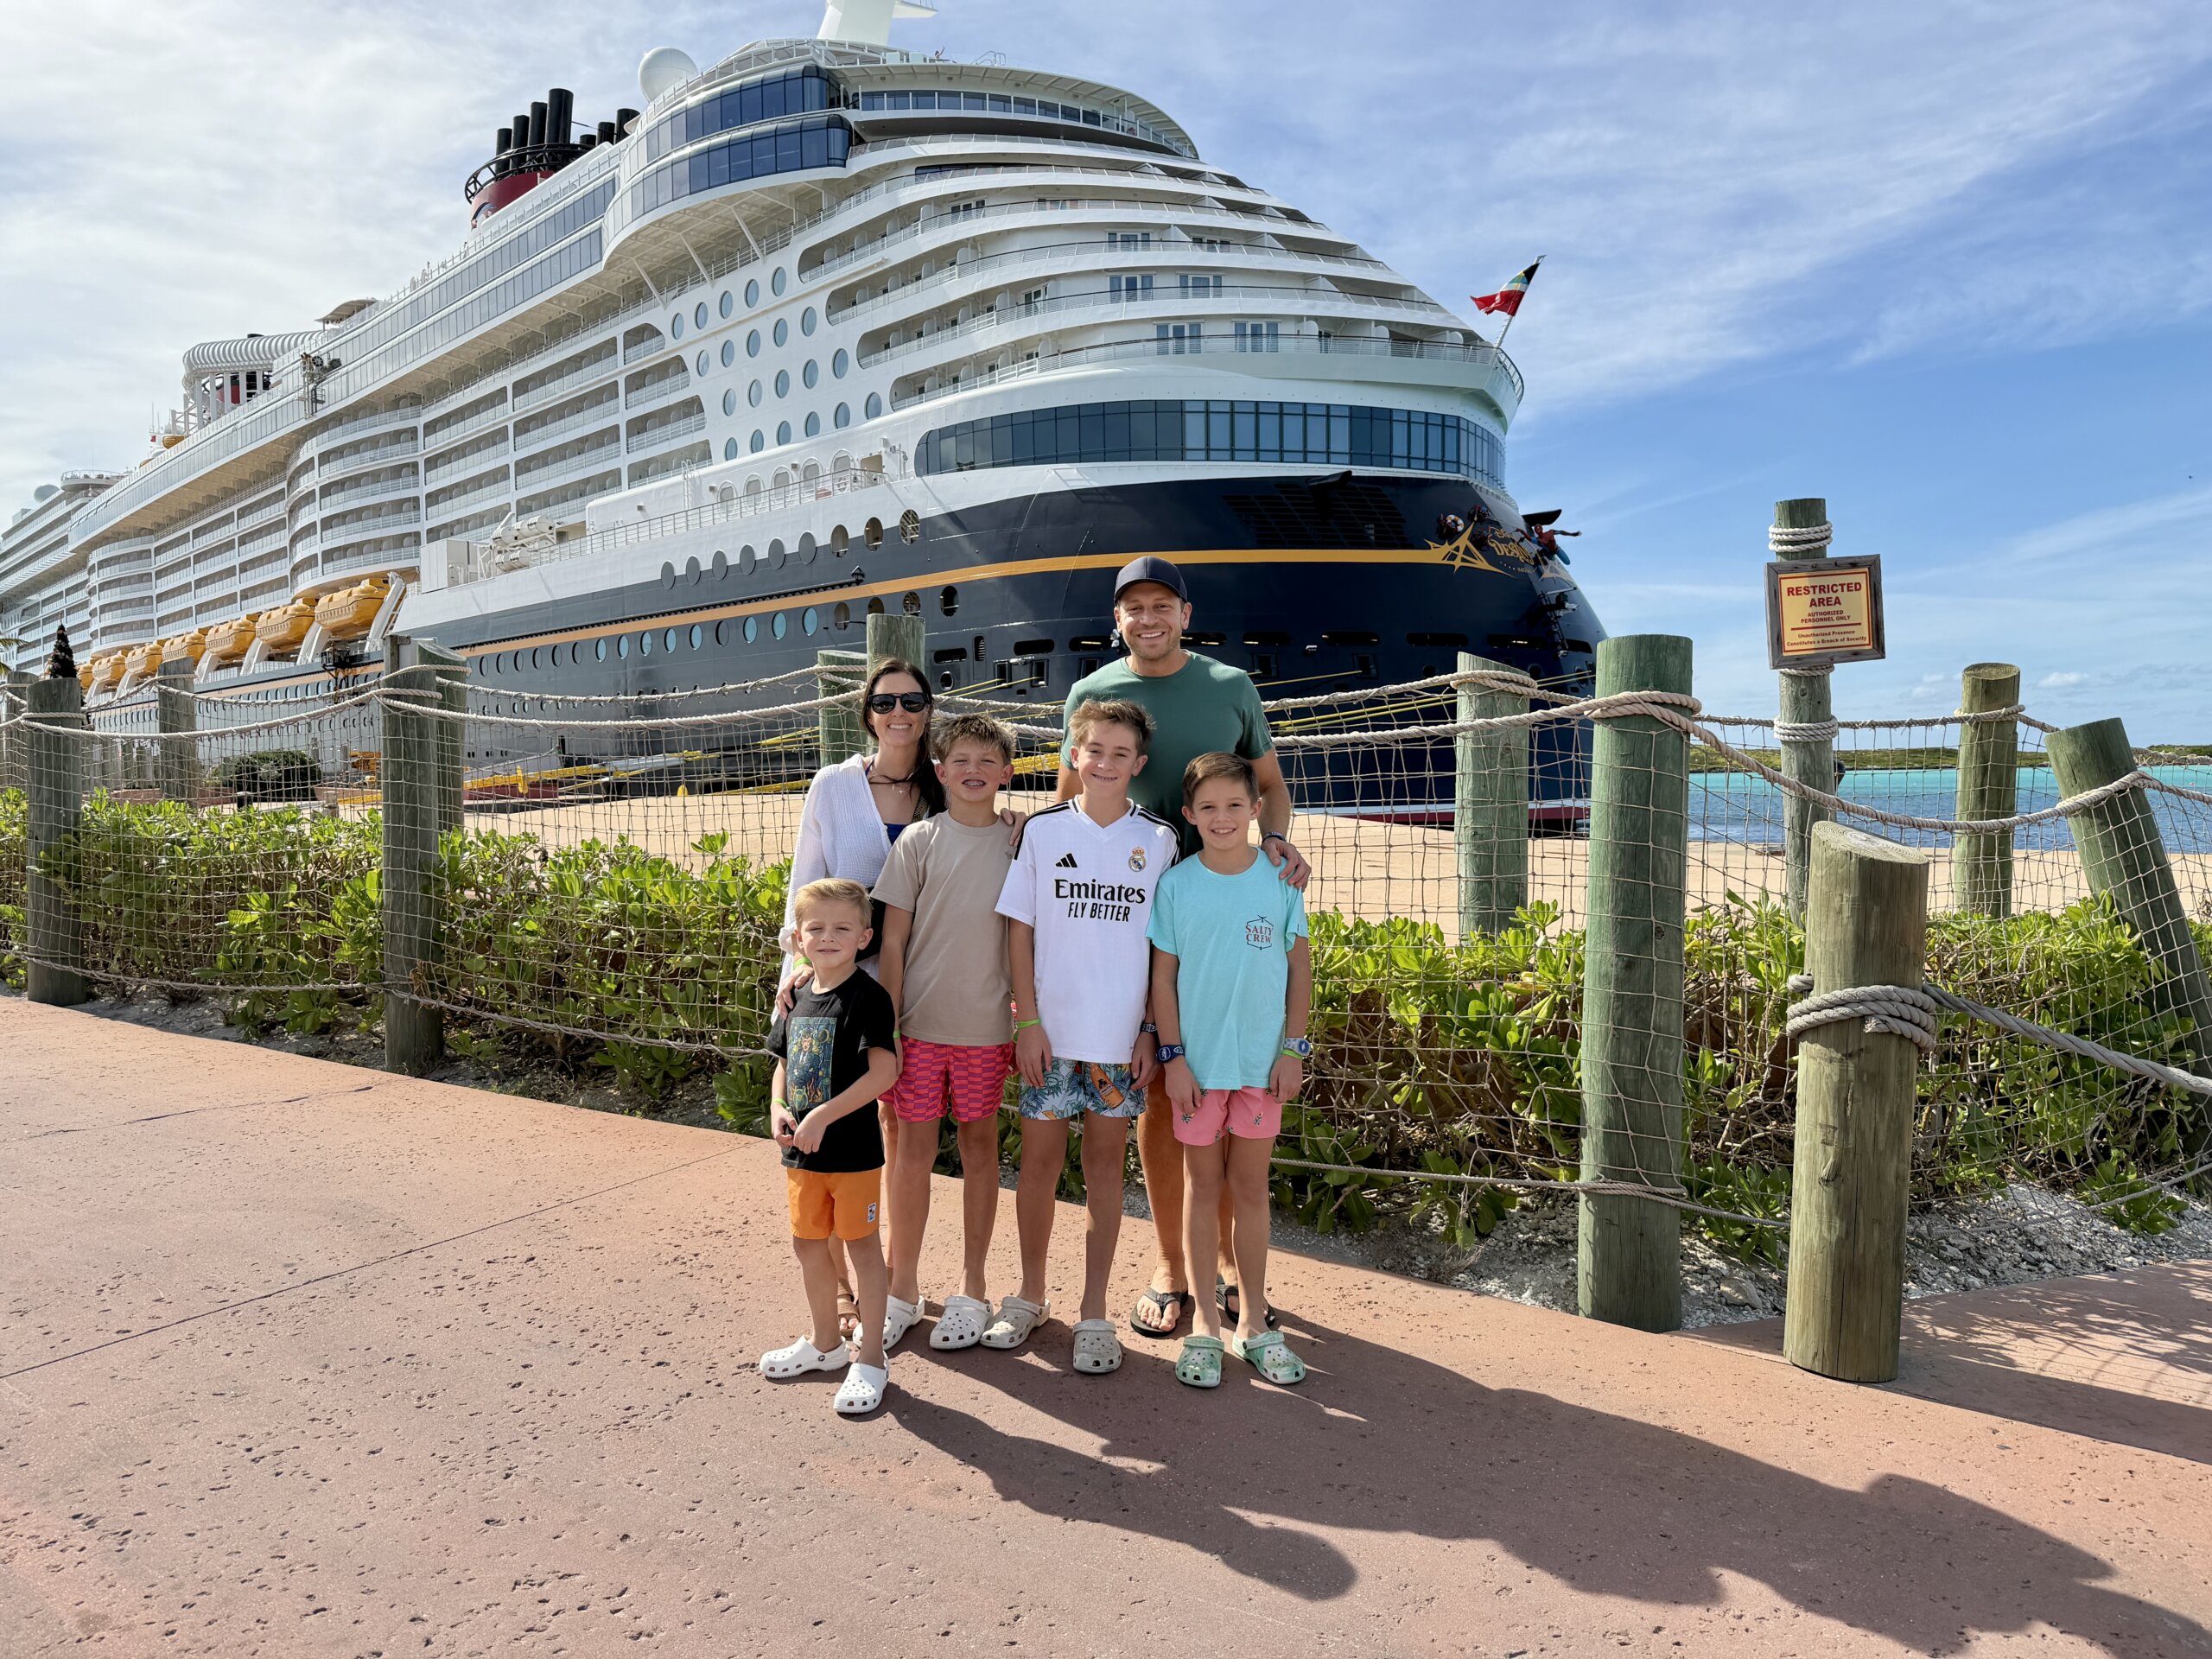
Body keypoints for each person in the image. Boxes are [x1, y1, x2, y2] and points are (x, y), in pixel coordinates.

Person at [1058, 556, 1310, 1342]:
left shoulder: (1231, 686)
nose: (1149, 616)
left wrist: (1274, 845)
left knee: (1228, 1076)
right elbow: (1070, 803)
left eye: (1162, 603)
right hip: (1130, 913)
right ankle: (1172, 1262)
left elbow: (1271, 784)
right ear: (1118, 618)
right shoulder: (1091, 693)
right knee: (1164, 1087)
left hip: (1221, 900)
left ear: (1186, 613)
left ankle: (1231, 1265)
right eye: (1135, 606)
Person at [990, 697, 1181, 1376]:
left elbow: (1165, 949)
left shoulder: (1158, 840)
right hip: (1051, 1037)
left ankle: (1095, 1311)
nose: (1105, 762)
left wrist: (1151, 1031)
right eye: (1093, 750)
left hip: (1119, 1043)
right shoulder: (1041, 833)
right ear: (1074, 754)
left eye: (1120, 753)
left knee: (1105, 1170)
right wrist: (1029, 1020)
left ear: (1140, 764)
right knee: (1038, 1168)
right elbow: (1021, 930)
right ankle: (1031, 1294)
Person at [779, 658, 944, 1338]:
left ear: (929, 709)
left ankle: (897, 1282)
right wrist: (794, 969)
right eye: (884, 702)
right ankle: (844, 1288)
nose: (898, 713)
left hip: (916, 980)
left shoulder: (943, 789)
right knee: (826, 1121)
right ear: (866, 712)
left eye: (912, 700)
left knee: (904, 1132)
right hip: (835, 985)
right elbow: (805, 885)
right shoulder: (835, 784)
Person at [1148, 752, 1313, 1389]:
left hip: (1261, 1068)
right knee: (1201, 1188)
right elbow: (1162, 979)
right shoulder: (1176, 885)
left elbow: (1300, 970)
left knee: (1249, 1188)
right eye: (1209, 808)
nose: (1222, 817)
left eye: (1235, 806)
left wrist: (1293, 1050)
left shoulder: (1280, 882)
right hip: (1196, 1071)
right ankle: (1205, 1327)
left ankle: (1253, 1325)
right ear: (1189, 815)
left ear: (1256, 811)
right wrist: (1174, 1057)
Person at [873, 713, 1020, 1353]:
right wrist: (892, 1026)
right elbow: (895, 940)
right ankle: (902, 1289)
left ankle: (973, 1285)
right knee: (910, 1155)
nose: (974, 771)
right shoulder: (918, 842)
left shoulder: (1022, 842)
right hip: (920, 1029)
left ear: (1008, 773)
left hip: (987, 1030)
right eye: (961, 760)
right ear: (940, 770)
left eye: (988, 762)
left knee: (982, 1151)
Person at [757, 877, 902, 1417]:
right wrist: (778, 1107)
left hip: (854, 1155)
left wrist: (822, 1114)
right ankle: (825, 1344)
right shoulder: (795, 997)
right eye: (816, 928)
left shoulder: (869, 998)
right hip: (800, 1155)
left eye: (842, 928)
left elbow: (884, 1073)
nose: (828, 937)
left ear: (865, 937)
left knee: (862, 1247)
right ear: (797, 937)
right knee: (808, 1245)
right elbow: (782, 1064)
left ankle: (871, 1358)